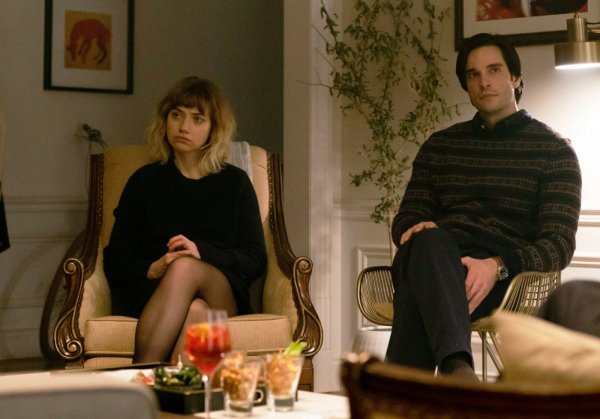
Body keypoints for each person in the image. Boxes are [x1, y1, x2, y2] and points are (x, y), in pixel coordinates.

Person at [384, 33, 581, 380]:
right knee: (428, 244)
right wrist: (413, 228)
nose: (484, 81)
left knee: (418, 288)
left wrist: (497, 267)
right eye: (473, 74)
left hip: (500, 280)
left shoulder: (553, 152)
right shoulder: (440, 146)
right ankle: (456, 368)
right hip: (435, 255)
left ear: (515, 78)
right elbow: (409, 216)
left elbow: (559, 244)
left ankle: (408, 393)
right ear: (466, 85)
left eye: (494, 70)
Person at [103, 76, 267, 364]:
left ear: (214, 128)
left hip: (223, 293)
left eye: (197, 118)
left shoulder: (235, 183)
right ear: (165, 119)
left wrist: (201, 252)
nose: (183, 126)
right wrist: (152, 268)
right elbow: (115, 260)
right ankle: (175, 391)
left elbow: (255, 260)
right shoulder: (144, 182)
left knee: (185, 265)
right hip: (156, 295)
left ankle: (141, 374)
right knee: (197, 311)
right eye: (176, 115)